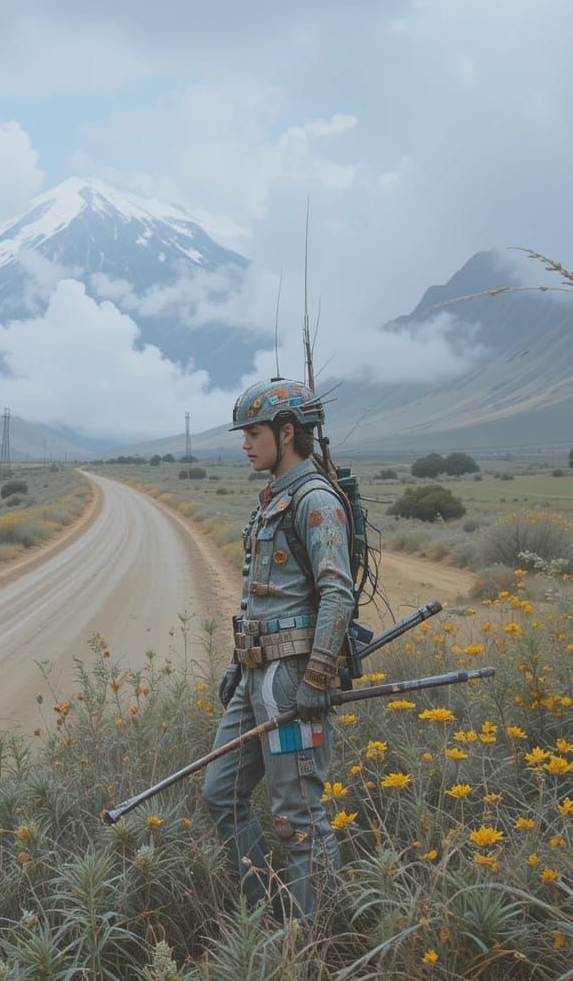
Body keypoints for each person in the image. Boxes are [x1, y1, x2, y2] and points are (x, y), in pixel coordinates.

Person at [202, 378, 355, 922]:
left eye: (255, 432)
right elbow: (263, 598)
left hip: (290, 681)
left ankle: (318, 940)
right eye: (244, 432)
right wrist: (236, 662)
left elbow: (337, 590)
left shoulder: (314, 501)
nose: (245, 442)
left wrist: (316, 679)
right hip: (254, 678)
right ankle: (268, 916)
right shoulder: (273, 499)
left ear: (287, 432)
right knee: (221, 793)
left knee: (298, 816)